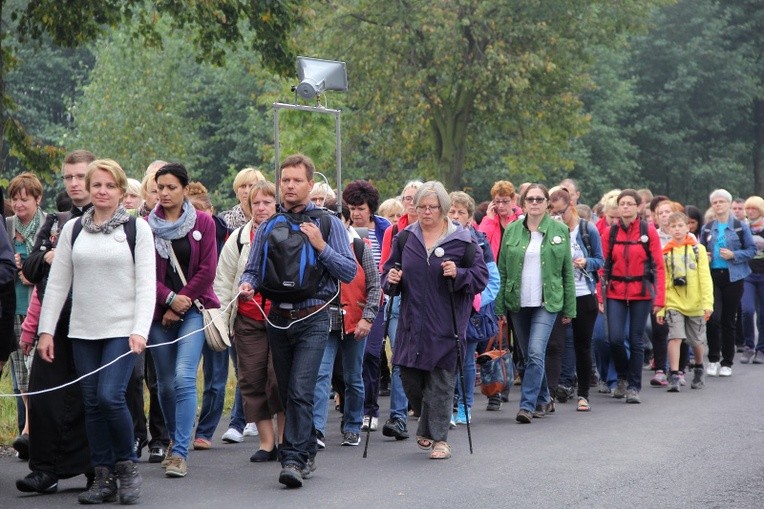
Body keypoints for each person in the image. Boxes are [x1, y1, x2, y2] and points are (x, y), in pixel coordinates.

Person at [37, 159, 156, 504]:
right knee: (91, 404)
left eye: (109, 186)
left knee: (110, 397)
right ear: (89, 190)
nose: (102, 192)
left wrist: (140, 330)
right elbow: (58, 284)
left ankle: (127, 467)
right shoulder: (74, 228)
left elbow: (147, 286)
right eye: (96, 186)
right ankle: (102, 476)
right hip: (82, 332)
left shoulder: (138, 229)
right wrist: (46, 331)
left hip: (122, 330)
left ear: (121, 191)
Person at [238, 153, 356, 488]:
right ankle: (304, 452)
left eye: (297, 180)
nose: (290, 186)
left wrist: (320, 246)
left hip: (315, 316)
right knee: (288, 390)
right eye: (285, 180)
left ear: (309, 184)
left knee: (302, 389)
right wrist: (247, 285)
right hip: (277, 317)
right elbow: (253, 269)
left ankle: (293, 458)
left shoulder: (328, 223)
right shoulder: (270, 224)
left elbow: (347, 271)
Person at [382, 181, 488, 459]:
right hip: (411, 322)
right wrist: (391, 279)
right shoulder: (405, 238)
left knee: (441, 381)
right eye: (421, 207)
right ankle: (427, 425)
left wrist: (460, 274)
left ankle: (440, 440)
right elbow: (389, 272)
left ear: (443, 209)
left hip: (446, 323)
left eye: (433, 207)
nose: (427, 212)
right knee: (409, 376)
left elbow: (480, 279)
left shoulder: (463, 241)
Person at [17, 149, 95, 495]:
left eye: (81, 176)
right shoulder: (54, 221)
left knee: (93, 397)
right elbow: (31, 269)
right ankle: (44, 468)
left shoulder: (118, 221)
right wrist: (49, 255)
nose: (75, 183)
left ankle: (98, 466)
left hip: (98, 322)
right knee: (45, 393)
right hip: (57, 319)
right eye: (69, 177)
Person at [148, 162, 220, 478]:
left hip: (193, 310)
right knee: (163, 385)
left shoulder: (203, 221)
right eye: (159, 187)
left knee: (183, 375)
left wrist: (181, 302)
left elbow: (207, 269)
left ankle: (179, 452)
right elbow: (144, 273)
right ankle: (173, 438)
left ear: (184, 189)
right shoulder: (145, 227)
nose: (164, 193)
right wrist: (167, 299)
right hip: (157, 313)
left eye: (171, 187)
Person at [214, 180, 284, 462]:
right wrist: (221, 319)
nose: (261, 208)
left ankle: (286, 439)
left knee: (278, 380)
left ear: (276, 205)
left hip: (282, 319)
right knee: (252, 380)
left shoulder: (287, 232)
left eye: (267, 202)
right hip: (247, 319)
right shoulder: (239, 238)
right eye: (256, 203)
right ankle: (267, 444)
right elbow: (223, 280)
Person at [495, 184, 575, 423]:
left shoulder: (560, 230)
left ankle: (527, 406)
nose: (535, 203)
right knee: (529, 357)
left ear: (547, 203)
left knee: (535, 351)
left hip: (547, 302)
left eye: (540, 199)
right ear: (523, 202)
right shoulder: (511, 230)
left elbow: (567, 273)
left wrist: (570, 308)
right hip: (517, 302)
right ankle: (545, 398)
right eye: (530, 199)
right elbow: (502, 269)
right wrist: (499, 307)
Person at [313, 201, 382, 447]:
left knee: (353, 377)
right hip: (324, 320)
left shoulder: (360, 247)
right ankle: (317, 430)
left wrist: (368, 317)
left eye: (338, 219)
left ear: (347, 221)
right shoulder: (316, 247)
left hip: (355, 321)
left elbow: (375, 286)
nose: (333, 225)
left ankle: (352, 425)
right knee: (321, 375)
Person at [600, 189, 666, 404]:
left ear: (639, 207)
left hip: (641, 291)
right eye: (622, 203)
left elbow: (659, 266)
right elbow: (602, 266)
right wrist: (599, 296)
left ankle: (633, 387)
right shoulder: (610, 233)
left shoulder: (649, 231)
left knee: (636, 341)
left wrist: (660, 299)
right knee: (615, 339)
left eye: (630, 203)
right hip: (616, 291)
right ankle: (621, 376)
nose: (625, 207)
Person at [341, 181, 393, 438]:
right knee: (351, 363)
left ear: (370, 208)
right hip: (348, 302)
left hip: (377, 300)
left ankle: (370, 410)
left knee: (372, 354)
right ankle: (354, 410)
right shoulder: (343, 230)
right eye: (351, 208)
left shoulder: (385, 229)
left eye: (360, 208)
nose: (356, 213)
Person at [184, 182, 233, 451]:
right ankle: (182, 426)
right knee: (185, 375)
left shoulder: (226, 237)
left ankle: (205, 430)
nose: (198, 217)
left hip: (217, 311)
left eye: (201, 210)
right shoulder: (180, 236)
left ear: (211, 210)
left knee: (216, 377)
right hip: (187, 310)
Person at [447, 191, 500, 422]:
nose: (456, 215)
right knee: (445, 360)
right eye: (451, 211)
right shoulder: (437, 239)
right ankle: (445, 405)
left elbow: (493, 280)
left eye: (461, 212)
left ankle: (464, 406)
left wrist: (476, 301)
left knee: (467, 360)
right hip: (443, 309)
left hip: (470, 312)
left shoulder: (479, 241)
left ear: (469, 217)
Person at [549, 187, 603, 412]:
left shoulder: (586, 229)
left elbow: (600, 260)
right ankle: (550, 394)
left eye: (561, 213)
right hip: (558, 294)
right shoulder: (550, 231)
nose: (557, 218)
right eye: (553, 214)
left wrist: (585, 263)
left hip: (583, 293)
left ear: (571, 207)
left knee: (582, 345)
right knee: (554, 346)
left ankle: (583, 394)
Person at [377, 180, 422, 438]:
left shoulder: (439, 230)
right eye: (407, 198)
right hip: (399, 301)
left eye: (417, 198)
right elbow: (385, 267)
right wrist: (392, 276)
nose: (412, 203)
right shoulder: (394, 231)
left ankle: (427, 407)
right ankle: (398, 417)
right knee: (401, 357)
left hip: (430, 303)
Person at [5, 172, 46, 458]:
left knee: (37, 375)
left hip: (39, 310)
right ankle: (28, 436)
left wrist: (30, 271)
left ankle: (32, 434)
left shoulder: (49, 225)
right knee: (21, 379)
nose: (19, 205)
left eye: (25, 199)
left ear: (37, 199)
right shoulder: (6, 227)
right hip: (12, 309)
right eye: (15, 199)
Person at [700, 189, 756, 377]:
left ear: (729, 204)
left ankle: (727, 362)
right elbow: (700, 250)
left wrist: (734, 255)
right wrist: (704, 256)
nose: (718, 205)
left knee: (728, 319)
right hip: (712, 276)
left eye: (721, 202)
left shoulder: (740, 227)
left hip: (734, 276)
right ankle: (713, 359)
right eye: (715, 202)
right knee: (713, 318)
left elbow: (752, 250)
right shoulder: (707, 227)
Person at [658, 212, 713, 391]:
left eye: (680, 226)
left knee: (696, 341)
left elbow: (705, 278)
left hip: (696, 303)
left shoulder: (698, 250)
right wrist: (661, 307)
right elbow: (663, 281)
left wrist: (707, 304)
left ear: (688, 227)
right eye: (673, 226)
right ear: (668, 229)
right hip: (674, 302)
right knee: (675, 337)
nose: (677, 230)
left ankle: (698, 367)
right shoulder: (665, 252)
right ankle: (673, 374)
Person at [741, 196, 764, 364]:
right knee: (747, 310)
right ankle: (749, 345)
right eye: (747, 209)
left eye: (754, 209)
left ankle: (761, 349)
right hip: (747, 273)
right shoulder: (742, 228)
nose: (750, 212)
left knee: (762, 314)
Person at [478, 180, 523, 259]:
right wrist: (489, 221)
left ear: (513, 200)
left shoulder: (520, 219)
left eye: (505, 201)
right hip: (494, 267)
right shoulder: (488, 219)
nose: (501, 206)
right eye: (497, 201)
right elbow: (480, 242)